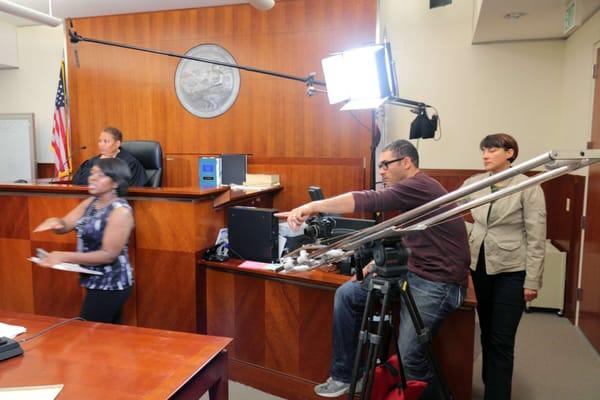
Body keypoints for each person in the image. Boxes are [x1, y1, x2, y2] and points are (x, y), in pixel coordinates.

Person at [280, 139, 470, 398]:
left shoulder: (418, 185)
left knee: (410, 359)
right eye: (379, 166)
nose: (381, 171)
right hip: (413, 270)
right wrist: (377, 261)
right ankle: (346, 375)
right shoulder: (413, 191)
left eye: (385, 165)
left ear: (406, 162)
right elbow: (411, 233)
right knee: (348, 295)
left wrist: (311, 207)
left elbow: (370, 199)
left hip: (439, 282)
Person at [461, 133, 546, 400]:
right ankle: (493, 385)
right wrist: (470, 233)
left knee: (501, 339)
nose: (485, 154)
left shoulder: (528, 186)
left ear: (510, 153)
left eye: (492, 150)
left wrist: (532, 280)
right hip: (480, 266)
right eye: (483, 150)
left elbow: (536, 236)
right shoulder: (474, 183)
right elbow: (450, 215)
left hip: (512, 271)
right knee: (486, 334)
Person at [34, 158, 135, 323]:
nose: (92, 178)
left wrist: (63, 256)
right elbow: (66, 225)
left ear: (116, 183)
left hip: (111, 283)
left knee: (87, 333)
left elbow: (108, 255)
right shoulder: (91, 203)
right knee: (108, 337)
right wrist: (56, 222)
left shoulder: (120, 212)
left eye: (100, 175)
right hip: (93, 279)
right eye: (92, 173)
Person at [72, 126, 147, 187]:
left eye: (106, 141)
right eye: (99, 141)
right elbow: (77, 180)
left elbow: (125, 188)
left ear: (117, 144)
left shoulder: (129, 163)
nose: (101, 144)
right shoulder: (94, 161)